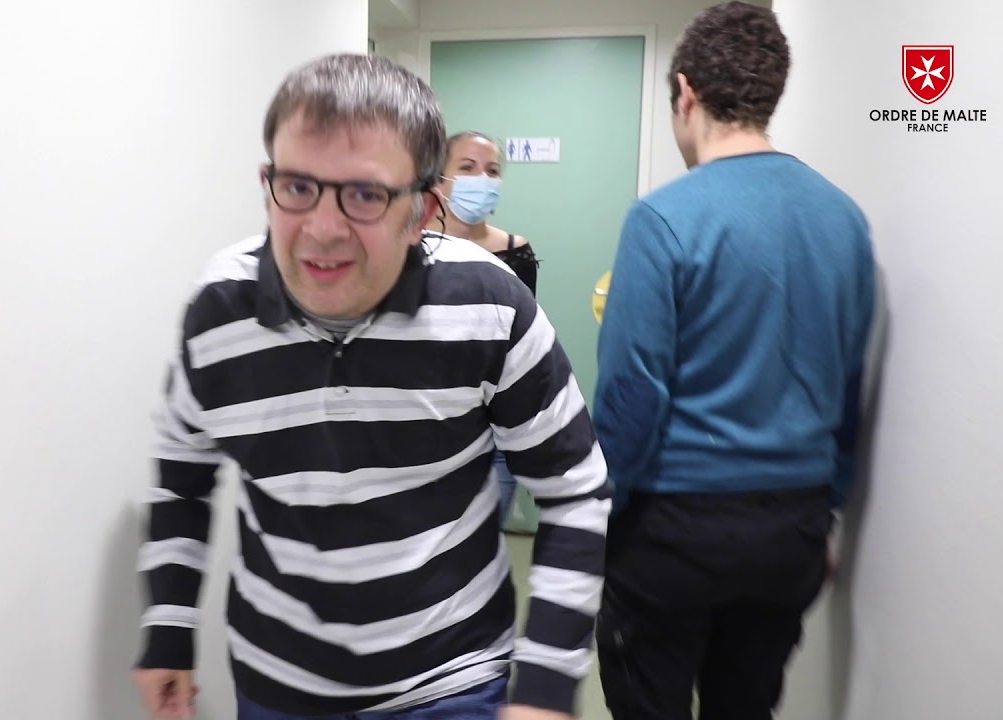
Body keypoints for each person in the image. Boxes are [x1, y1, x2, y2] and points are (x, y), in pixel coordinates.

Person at [132, 53, 612, 720]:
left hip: (451, 683)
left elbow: (575, 490)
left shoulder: (489, 304)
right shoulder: (219, 311)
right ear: (268, 184)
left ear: (421, 213)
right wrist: (169, 627)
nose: (322, 229)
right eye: (298, 186)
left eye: (365, 195)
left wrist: (546, 686)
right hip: (278, 686)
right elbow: (180, 480)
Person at [590, 3, 877, 719]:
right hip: (790, 532)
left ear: (686, 94)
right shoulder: (845, 220)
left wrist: (595, 512)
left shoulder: (661, 219)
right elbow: (848, 389)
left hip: (673, 534)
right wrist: (823, 512)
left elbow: (632, 397)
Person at [428, 130, 541, 526]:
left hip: (495, 434)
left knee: (483, 545)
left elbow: (521, 349)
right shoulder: (410, 250)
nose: (482, 179)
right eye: (467, 168)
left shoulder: (515, 251)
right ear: (439, 179)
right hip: (425, 428)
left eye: (492, 171)